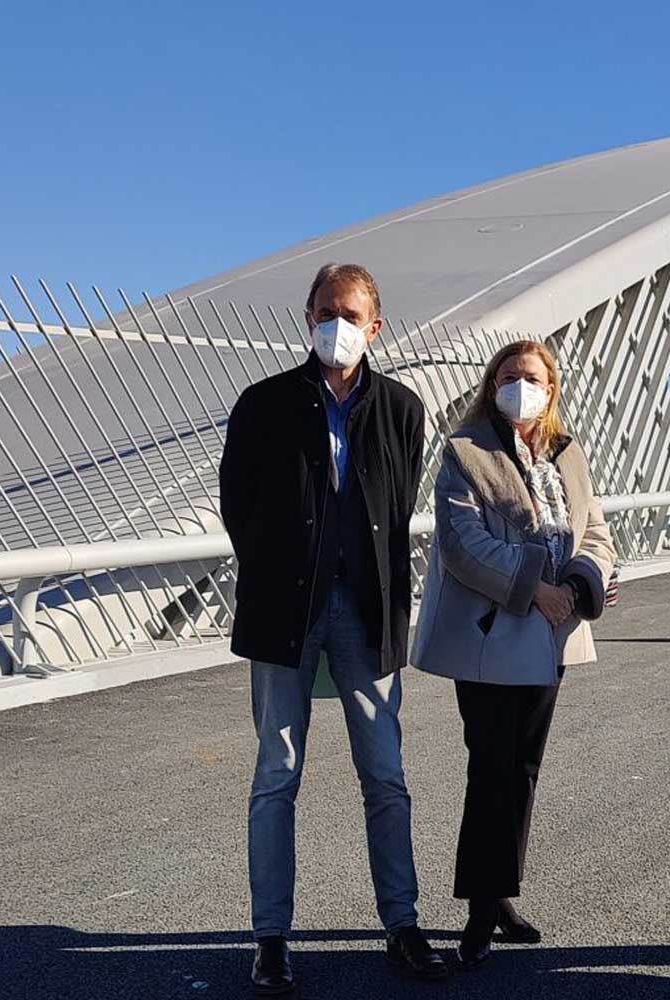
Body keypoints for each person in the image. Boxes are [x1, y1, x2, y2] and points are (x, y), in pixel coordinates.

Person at [218, 263, 449, 993]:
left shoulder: (404, 409)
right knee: (275, 775)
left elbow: (398, 500)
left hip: (367, 612)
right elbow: (238, 506)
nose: (336, 326)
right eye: (325, 312)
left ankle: (402, 924)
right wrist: (281, 564)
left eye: (350, 314)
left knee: (385, 773)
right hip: (284, 609)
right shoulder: (263, 405)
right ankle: (271, 936)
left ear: (376, 325)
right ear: (308, 318)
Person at [412, 340, 616, 967]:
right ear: (490, 384)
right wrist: (539, 590)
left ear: (550, 388)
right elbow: (462, 545)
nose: (519, 387)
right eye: (508, 377)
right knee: (492, 766)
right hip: (492, 634)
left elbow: (597, 531)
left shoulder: (567, 454)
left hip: (551, 636)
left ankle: (499, 894)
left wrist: (580, 583)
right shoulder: (465, 452)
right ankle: (479, 906)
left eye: (530, 378)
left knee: (523, 768)